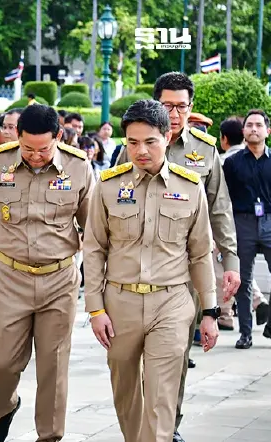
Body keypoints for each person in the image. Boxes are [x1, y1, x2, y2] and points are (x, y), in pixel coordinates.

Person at [84, 99, 220, 442]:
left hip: (171, 304)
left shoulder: (190, 188)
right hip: (120, 305)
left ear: (167, 135)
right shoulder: (109, 185)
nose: (140, 150)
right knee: (126, 393)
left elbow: (201, 253)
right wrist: (95, 309)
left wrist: (210, 312)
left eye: (149, 142)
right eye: (132, 142)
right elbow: (94, 248)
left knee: (161, 396)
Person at [113, 73, 239, 442]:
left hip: (185, 273)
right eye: (167, 105)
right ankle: (143, 426)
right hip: (137, 271)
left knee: (175, 356)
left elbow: (220, 210)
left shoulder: (205, 150)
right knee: (131, 361)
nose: (175, 113)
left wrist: (229, 265)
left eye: (182, 106)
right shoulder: (133, 146)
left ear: (191, 107)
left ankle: (169, 425)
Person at [0, 104, 94, 442]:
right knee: (1, 361)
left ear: (58, 136)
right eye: (28, 148)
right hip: (9, 277)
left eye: (44, 148)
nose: (36, 155)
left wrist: (91, 276)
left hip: (58, 279)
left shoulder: (78, 166)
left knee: (53, 366)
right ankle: (5, 406)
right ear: (17, 136)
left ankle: (49, 436)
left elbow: (94, 228)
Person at [223, 109, 271, 347]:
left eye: (259, 125)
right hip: (242, 222)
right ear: (243, 131)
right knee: (243, 280)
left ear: (267, 131)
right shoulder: (232, 163)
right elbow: (223, 198)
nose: (254, 128)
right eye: (249, 125)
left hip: (270, 221)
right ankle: (245, 333)